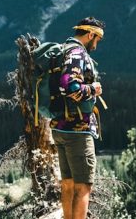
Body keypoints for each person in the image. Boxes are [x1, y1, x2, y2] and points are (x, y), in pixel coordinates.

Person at [50, 17, 105, 219]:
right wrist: (93, 89)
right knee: (83, 187)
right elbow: (68, 86)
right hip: (77, 130)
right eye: (97, 39)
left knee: (68, 184)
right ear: (90, 34)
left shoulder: (63, 50)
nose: (96, 45)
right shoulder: (76, 53)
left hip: (60, 127)